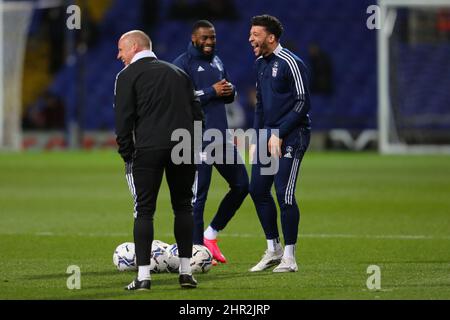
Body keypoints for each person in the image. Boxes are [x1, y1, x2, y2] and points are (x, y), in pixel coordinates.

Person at [114, 30, 203, 290]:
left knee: (144, 210)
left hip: (148, 149)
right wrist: (193, 146)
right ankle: (186, 273)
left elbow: (123, 120)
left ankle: (143, 277)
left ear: (134, 47)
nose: (119, 55)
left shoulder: (126, 76)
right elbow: (198, 115)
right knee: (184, 207)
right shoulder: (179, 73)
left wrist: (126, 152)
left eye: (121, 50)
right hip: (182, 148)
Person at [173, 20, 249, 264]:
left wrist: (230, 91)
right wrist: (211, 92)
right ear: (194, 38)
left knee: (242, 185)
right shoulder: (182, 64)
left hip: (220, 138)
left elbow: (225, 90)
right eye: (205, 38)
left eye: (213, 37)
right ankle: (197, 254)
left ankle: (210, 234)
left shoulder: (217, 60)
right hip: (194, 139)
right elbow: (177, 99)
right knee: (197, 199)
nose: (209, 42)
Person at [248, 15, 311, 272]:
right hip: (268, 136)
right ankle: (273, 249)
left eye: (255, 34)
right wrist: (257, 136)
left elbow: (303, 102)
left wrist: (279, 132)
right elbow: (260, 106)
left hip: (293, 135)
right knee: (258, 190)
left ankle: (290, 257)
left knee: (284, 193)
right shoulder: (260, 64)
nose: (250, 39)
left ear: (271, 38)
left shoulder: (291, 62)